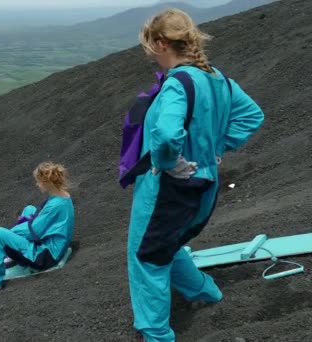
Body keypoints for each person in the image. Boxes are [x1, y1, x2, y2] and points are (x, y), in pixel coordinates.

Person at [128, 9, 264, 342]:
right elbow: (252, 116)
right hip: (205, 185)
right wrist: (217, 145)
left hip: (168, 189)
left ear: (162, 44)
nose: (151, 57)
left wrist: (168, 160)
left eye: (150, 48)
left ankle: (156, 335)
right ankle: (206, 292)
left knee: (146, 256)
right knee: (168, 245)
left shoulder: (178, 82)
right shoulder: (218, 79)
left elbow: (167, 134)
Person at [0, 162, 75, 296]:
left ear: (46, 182)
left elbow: (33, 232)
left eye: (38, 182)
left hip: (46, 256)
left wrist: (10, 235)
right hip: (56, 245)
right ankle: (13, 255)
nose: (37, 184)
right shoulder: (62, 195)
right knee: (29, 209)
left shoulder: (55, 206)